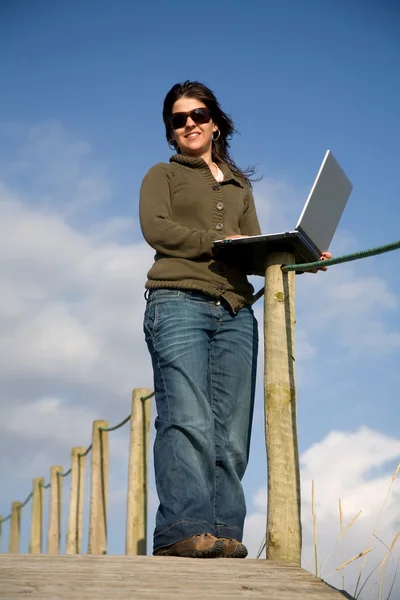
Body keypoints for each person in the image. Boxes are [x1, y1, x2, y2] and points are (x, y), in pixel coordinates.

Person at [139, 80, 331, 559]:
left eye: (198, 115)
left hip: (236, 312)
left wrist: (298, 254)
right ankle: (183, 528)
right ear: (171, 130)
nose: (189, 124)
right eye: (179, 119)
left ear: (216, 121)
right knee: (187, 420)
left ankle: (223, 532)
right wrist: (217, 243)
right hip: (177, 301)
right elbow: (156, 229)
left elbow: (253, 249)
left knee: (230, 432)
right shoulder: (161, 175)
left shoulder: (240, 186)